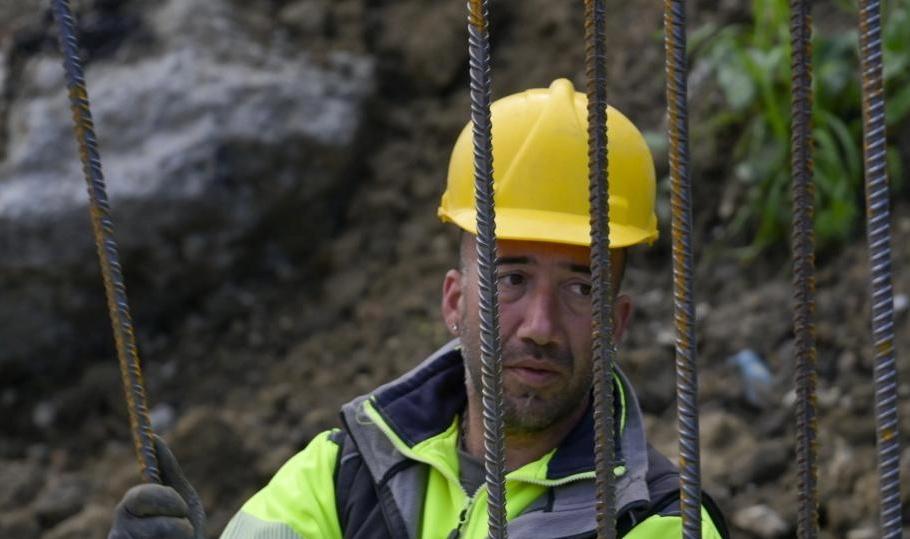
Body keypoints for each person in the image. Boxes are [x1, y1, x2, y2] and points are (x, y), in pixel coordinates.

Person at [109, 79, 729, 539]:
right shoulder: (347, 472)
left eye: (580, 288)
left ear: (615, 323)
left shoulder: (656, 523)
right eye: (511, 278)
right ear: (454, 301)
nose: (540, 327)